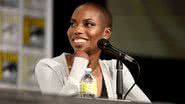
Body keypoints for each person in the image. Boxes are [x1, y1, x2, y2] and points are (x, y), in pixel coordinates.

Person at [35, 1, 151, 103]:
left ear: (106, 33)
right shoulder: (49, 67)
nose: (77, 30)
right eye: (73, 24)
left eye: (88, 24)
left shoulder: (115, 69)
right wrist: (80, 63)